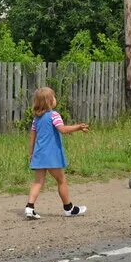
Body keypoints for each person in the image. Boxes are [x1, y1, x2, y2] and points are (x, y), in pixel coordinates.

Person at [24, 87, 89, 220]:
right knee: (61, 181)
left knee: (38, 182)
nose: (55, 99)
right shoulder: (54, 115)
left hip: (39, 155)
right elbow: (63, 129)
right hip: (52, 156)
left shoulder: (36, 119)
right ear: (49, 101)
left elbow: (32, 139)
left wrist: (31, 155)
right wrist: (78, 127)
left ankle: (29, 207)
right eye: (53, 97)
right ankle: (69, 208)